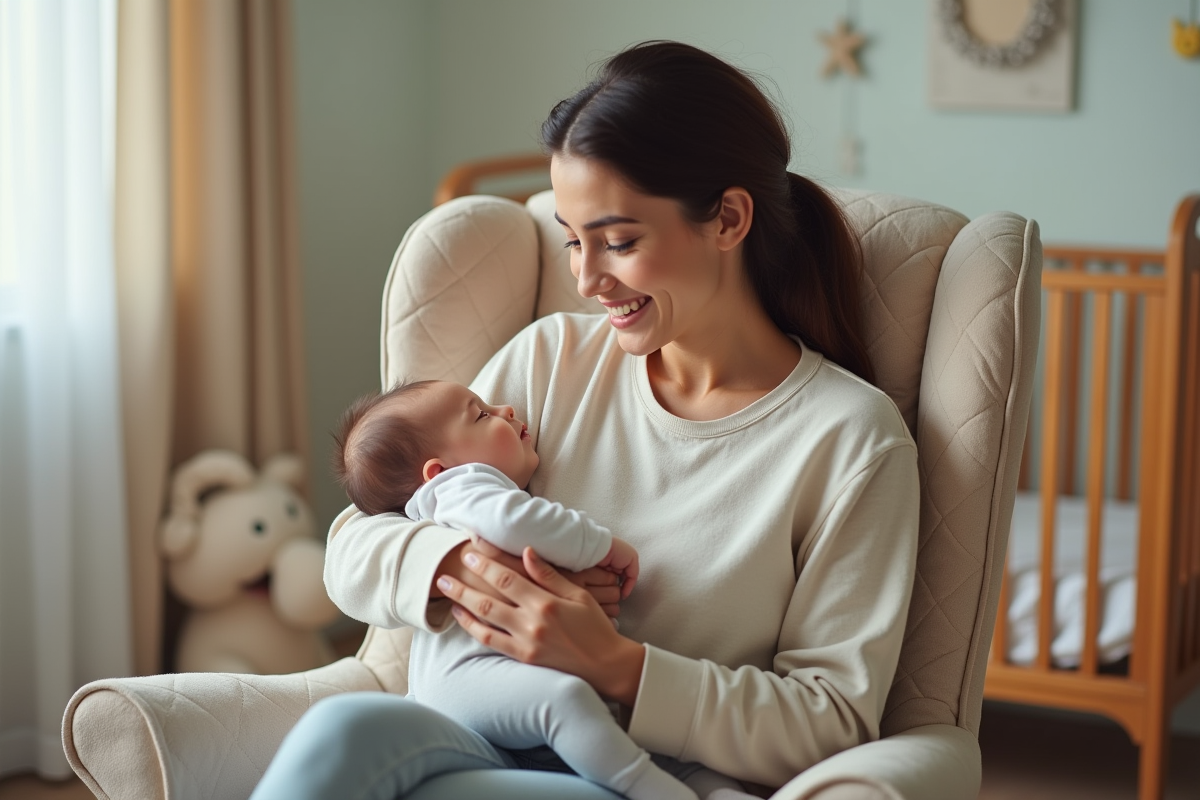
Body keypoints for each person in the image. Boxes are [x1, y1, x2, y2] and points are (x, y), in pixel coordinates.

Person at [252, 40, 920, 800]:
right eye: (573, 242)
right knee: (344, 732)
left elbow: (830, 722)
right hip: (480, 740)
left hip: (635, 778)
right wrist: (454, 567)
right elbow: (355, 539)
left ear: (730, 219)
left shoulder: (849, 440)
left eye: (619, 242)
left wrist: (612, 664)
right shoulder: (550, 360)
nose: (585, 278)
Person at [326, 378, 741, 799]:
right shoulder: (460, 487)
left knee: (633, 736)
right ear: (437, 471)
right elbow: (512, 522)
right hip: (467, 677)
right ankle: (651, 790)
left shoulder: (455, 497)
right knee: (567, 703)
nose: (506, 408)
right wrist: (596, 544)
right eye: (482, 414)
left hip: (487, 696)